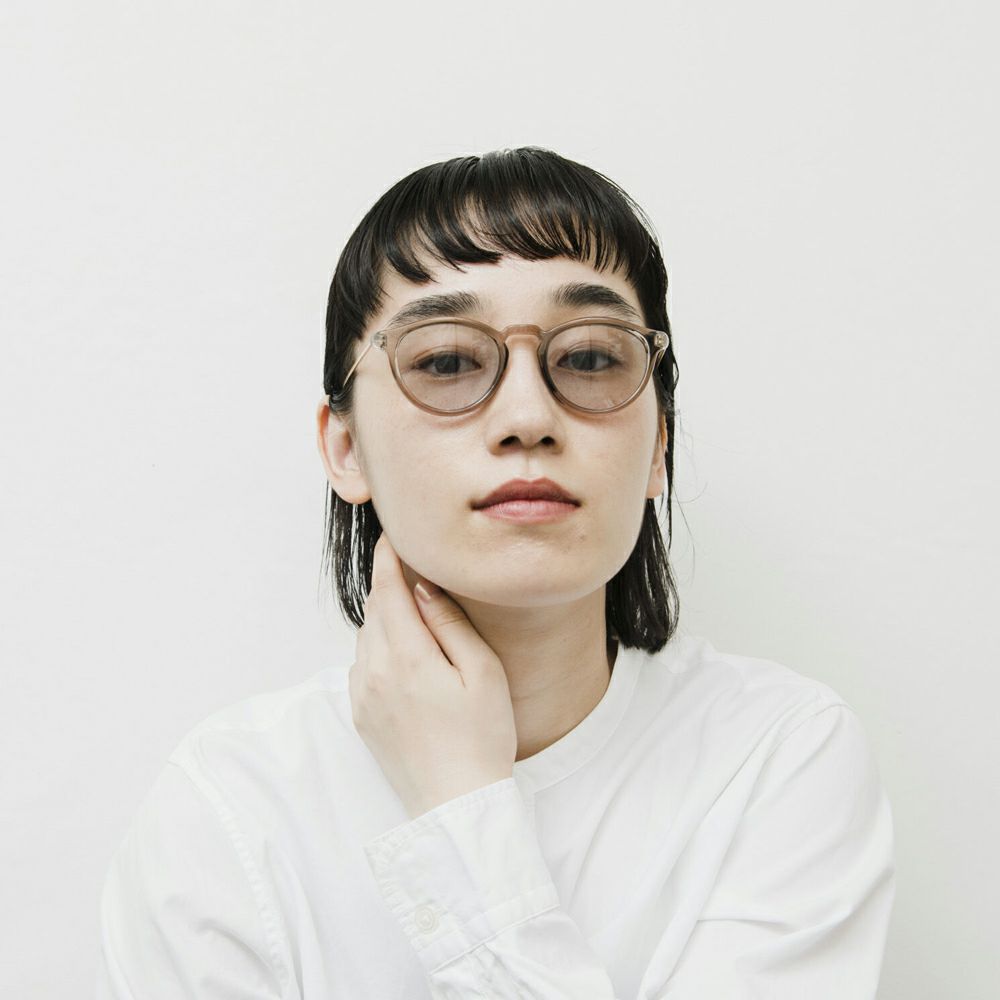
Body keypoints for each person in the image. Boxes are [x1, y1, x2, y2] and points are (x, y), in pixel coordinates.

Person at [96, 147, 896, 998]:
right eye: (446, 361)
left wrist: (458, 805)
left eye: (590, 358)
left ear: (659, 443)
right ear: (345, 447)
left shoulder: (777, 757)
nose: (527, 417)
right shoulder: (227, 809)